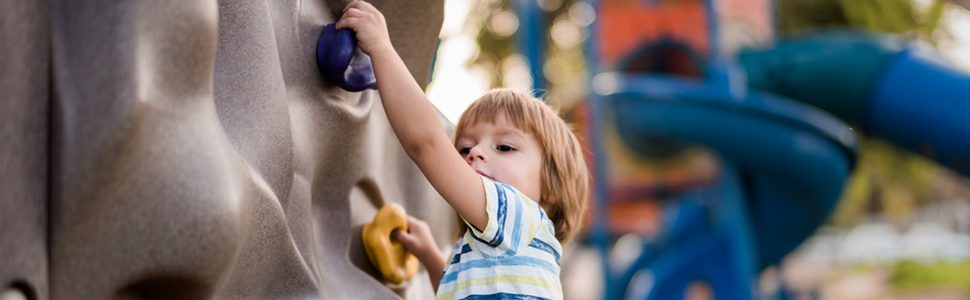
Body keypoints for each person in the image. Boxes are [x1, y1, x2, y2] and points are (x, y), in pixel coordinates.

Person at [337, 2, 588, 299]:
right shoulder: (503, 248)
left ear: (551, 184)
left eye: (504, 147)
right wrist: (431, 255)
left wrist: (381, 48)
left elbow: (427, 143)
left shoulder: (519, 216)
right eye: (463, 148)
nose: (474, 153)